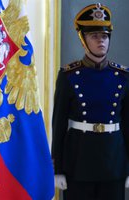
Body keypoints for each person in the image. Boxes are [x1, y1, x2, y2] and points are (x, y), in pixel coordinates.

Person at [52, 3, 129, 200]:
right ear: (83, 39)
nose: (101, 41)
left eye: (104, 36)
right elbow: (58, 125)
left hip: (114, 161)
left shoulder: (123, 77)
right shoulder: (68, 76)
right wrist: (57, 169)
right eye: (94, 36)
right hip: (78, 161)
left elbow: (128, 125)